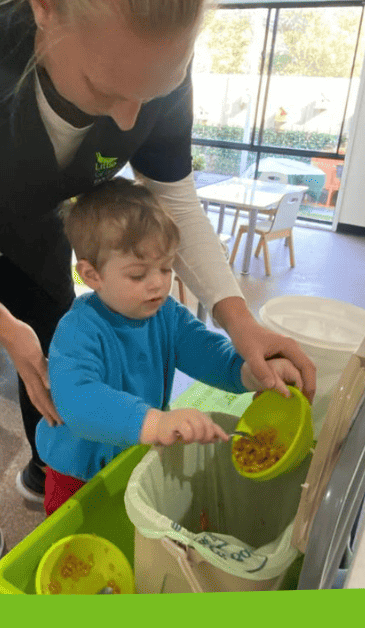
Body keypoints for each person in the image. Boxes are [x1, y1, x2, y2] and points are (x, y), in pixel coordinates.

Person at [0, 0, 315, 593]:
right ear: (47, 11)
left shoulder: (153, 69)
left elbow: (172, 189)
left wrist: (242, 326)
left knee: (53, 349)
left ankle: (50, 457)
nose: (132, 120)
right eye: (106, 88)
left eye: (154, 92)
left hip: (29, 220)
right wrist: (1, 324)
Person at [39, 179, 302, 515]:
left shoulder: (167, 315)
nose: (159, 283)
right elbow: (79, 402)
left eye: (166, 268)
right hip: (78, 472)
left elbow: (209, 353)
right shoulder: (78, 330)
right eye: (138, 275)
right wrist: (155, 422)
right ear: (92, 275)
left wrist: (251, 372)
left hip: (135, 452)